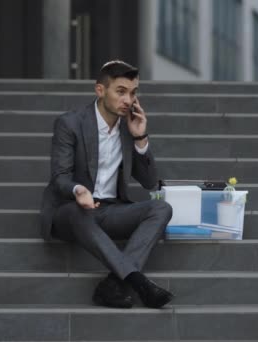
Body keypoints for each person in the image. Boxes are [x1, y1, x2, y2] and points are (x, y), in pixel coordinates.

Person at [40, 60, 174, 309]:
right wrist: (79, 190)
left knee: (161, 209)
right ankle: (137, 281)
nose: (128, 100)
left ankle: (113, 284)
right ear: (100, 90)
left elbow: (149, 182)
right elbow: (60, 177)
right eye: (120, 91)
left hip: (111, 210)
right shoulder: (70, 124)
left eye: (133, 93)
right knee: (76, 212)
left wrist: (140, 138)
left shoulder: (128, 127)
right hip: (73, 212)